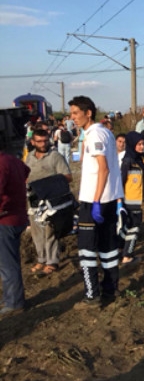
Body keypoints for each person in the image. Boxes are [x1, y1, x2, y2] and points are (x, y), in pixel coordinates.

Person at [69, 95, 124, 308]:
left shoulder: (94, 135)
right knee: (108, 247)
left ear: (88, 113)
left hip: (95, 201)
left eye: (76, 113)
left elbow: (103, 167)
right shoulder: (105, 132)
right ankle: (110, 289)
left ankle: (91, 295)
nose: (72, 117)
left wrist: (96, 200)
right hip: (108, 199)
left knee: (86, 249)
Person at [24, 128, 73, 275]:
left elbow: (68, 176)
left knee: (51, 231)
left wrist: (46, 184)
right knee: (36, 231)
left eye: (45, 140)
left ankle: (52, 262)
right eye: (39, 141)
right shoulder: (29, 157)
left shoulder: (55, 156)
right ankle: (41, 259)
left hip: (51, 201)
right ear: (33, 142)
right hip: (33, 200)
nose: (43, 143)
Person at [0, 151, 30, 316]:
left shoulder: (1, 164)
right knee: (11, 260)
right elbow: (27, 171)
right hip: (18, 216)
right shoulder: (12, 160)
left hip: (5, 219)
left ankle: (14, 301)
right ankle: (10, 296)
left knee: (7, 264)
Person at [119, 131, 144, 263]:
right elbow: (121, 181)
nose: (142, 146)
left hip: (137, 199)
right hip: (130, 200)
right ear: (132, 144)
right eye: (139, 144)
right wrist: (119, 200)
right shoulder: (128, 161)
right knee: (134, 227)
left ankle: (119, 251)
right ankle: (127, 255)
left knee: (126, 227)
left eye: (143, 144)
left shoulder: (140, 159)